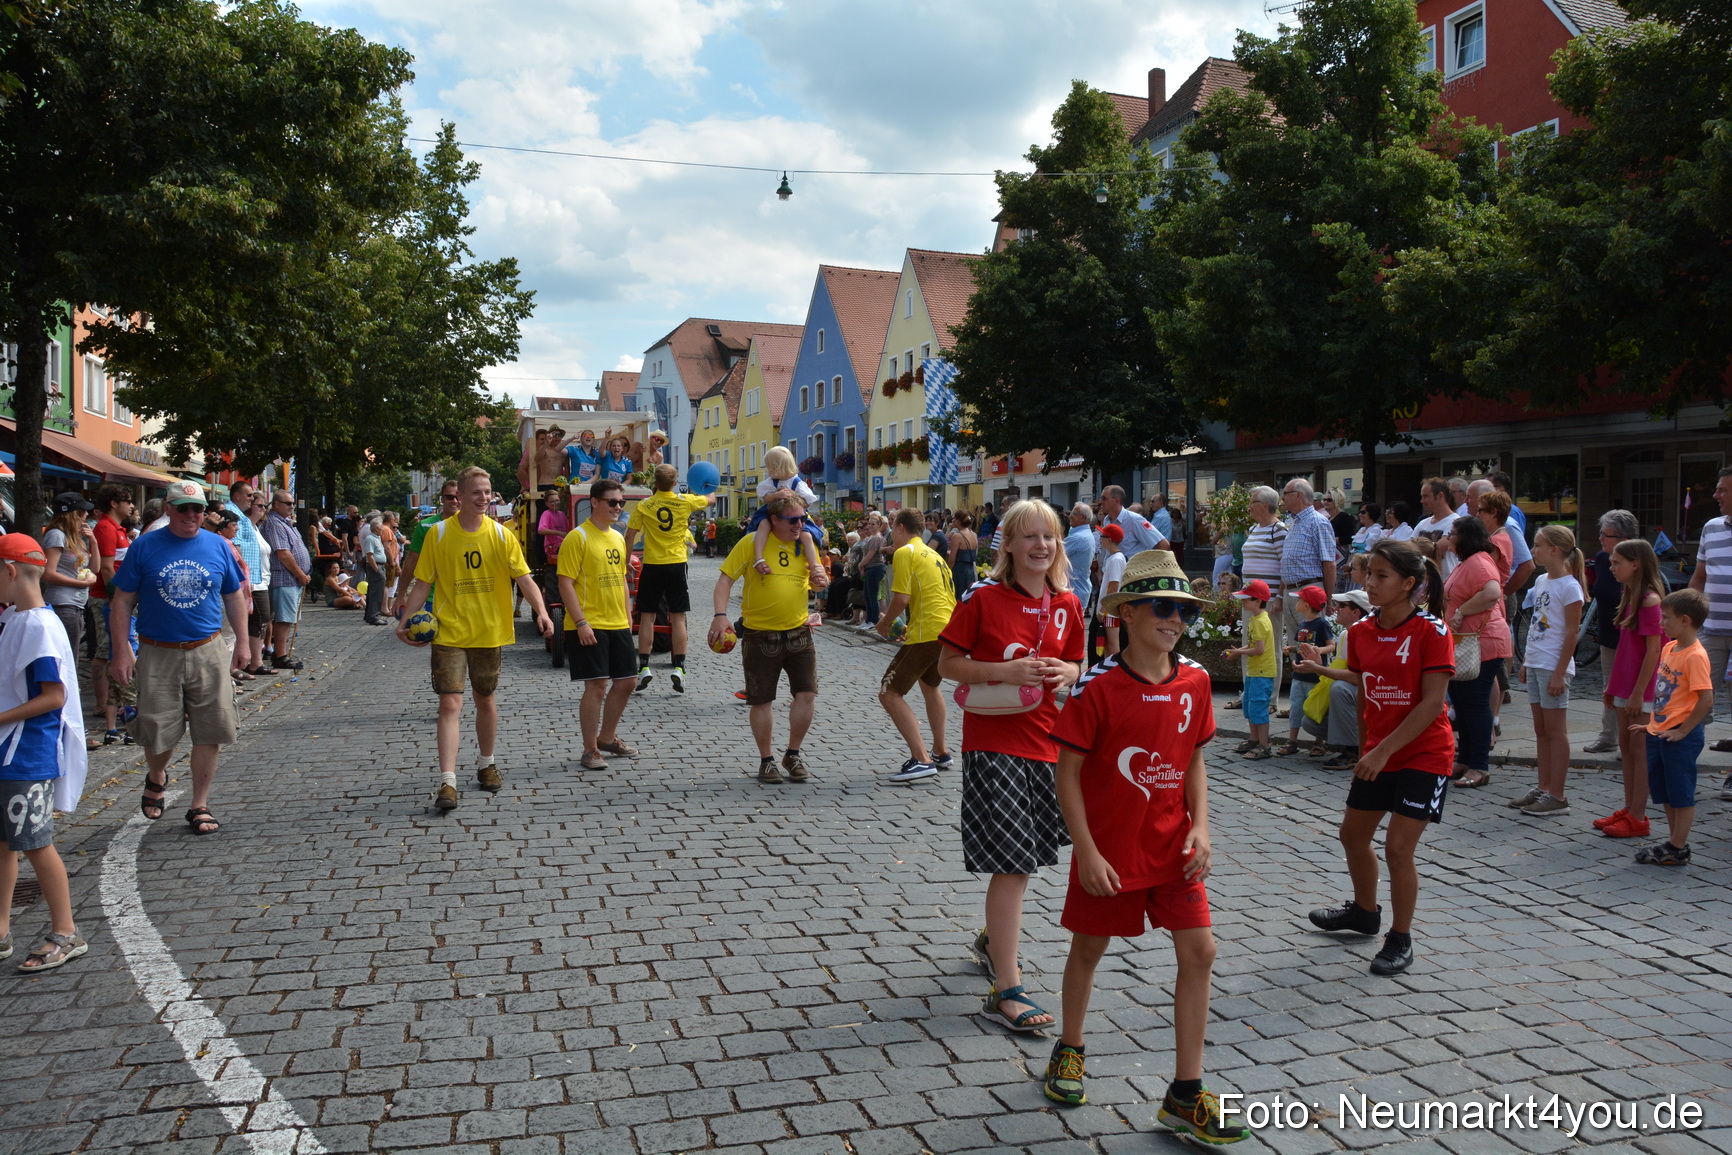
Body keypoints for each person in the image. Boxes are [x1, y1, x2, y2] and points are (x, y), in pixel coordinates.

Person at [1044, 550, 1244, 1143]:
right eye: (1162, 607)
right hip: (1110, 850)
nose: (1174, 619)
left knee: (1200, 953)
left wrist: (1201, 826)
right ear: (1126, 613)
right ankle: (1070, 1048)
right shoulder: (1096, 687)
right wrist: (1088, 851)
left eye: (1182, 609)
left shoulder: (1197, 680)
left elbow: (1195, 760)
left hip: (1174, 849)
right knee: (1089, 949)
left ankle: (1185, 1093)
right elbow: (1068, 774)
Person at [937, 499, 1084, 1035]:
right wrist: (1006, 670)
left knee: (1025, 857)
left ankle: (992, 940)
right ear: (1008, 545)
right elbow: (948, 664)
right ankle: (1007, 985)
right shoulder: (984, 597)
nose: (1041, 546)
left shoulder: (1067, 601)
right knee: (1014, 863)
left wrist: (1067, 670)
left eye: (1049, 537)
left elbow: (1077, 661)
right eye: (1030, 537)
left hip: (1047, 744)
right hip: (994, 743)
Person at [1301, 539, 1452, 977]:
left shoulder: (1432, 631)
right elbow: (1366, 684)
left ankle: (1400, 937)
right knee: (1352, 836)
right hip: (1379, 754)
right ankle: (1365, 912)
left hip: (1424, 754)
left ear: (1409, 584)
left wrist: (1384, 751)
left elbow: (1431, 704)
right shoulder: (1363, 631)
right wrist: (1368, 747)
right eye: (1369, 574)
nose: (1370, 583)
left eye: (1381, 576)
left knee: (1398, 848)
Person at [395, 467, 553, 810]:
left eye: (489, 492)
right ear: (461, 497)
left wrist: (540, 610)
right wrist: (405, 619)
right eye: (477, 493)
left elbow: (524, 578)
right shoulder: (438, 535)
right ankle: (447, 782)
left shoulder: (501, 535)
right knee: (450, 703)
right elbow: (423, 583)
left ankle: (486, 763)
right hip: (449, 630)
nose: (485, 498)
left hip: (488, 630)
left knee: (485, 699)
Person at [108, 480, 248, 836]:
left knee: (211, 727)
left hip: (208, 649)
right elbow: (122, 600)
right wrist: (122, 649)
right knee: (156, 729)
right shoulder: (145, 546)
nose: (190, 515)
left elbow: (234, 597)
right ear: (168, 509)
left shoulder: (219, 546)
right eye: (182, 508)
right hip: (158, 650)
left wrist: (244, 644)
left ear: (205, 513)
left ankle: (198, 804)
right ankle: (157, 775)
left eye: (197, 509)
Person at [0, 534, 90, 972]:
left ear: (10, 571)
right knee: (4, 842)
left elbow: (54, 696)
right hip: (10, 750)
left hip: (27, 753)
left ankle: (66, 931)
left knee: (36, 844)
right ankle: (0, 930)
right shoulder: (18, 618)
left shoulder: (37, 626)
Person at [710, 490, 821, 784]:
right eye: (793, 521)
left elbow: (817, 583)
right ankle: (767, 760)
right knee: (761, 700)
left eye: (803, 519)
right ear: (774, 520)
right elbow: (725, 581)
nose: (799, 525)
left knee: (807, 694)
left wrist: (819, 582)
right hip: (760, 635)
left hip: (799, 632)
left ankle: (793, 754)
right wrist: (720, 616)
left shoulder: (805, 545)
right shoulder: (751, 543)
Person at [559, 478, 640, 771]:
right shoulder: (577, 537)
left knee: (628, 681)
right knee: (597, 687)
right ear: (594, 502)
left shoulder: (618, 538)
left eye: (621, 502)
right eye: (612, 502)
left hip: (617, 621)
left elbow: (621, 580)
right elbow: (565, 582)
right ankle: (590, 748)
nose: (618, 507)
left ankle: (607, 738)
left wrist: (629, 615)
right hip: (588, 622)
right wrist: (580, 622)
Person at [1507, 525, 1586, 817]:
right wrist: (1527, 661)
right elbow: (1536, 626)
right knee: (1541, 730)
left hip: (1554, 665)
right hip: (1538, 661)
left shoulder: (1570, 586)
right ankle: (1543, 786)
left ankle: (1558, 793)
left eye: (1538, 545)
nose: (1533, 549)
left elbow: (1570, 633)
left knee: (1556, 731)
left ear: (1555, 550)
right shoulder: (1541, 581)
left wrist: (1559, 672)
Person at [877, 508, 958, 784]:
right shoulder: (935, 555)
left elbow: (900, 598)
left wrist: (885, 623)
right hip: (946, 630)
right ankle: (940, 751)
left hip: (928, 631)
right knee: (930, 686)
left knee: (889, 693)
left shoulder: (905, 552)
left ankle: (922, 759)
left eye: (891, 527)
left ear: (900, 527)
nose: (891, 535)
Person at [1594, 538, 1665, 838]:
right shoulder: (1630, 595)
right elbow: (1626, 648)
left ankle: (1638, 814)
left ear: (1635, 564)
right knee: (1626, 746)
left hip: (1642, 688)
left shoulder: (1649, 600)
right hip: (1626, 684)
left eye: (1616, 562)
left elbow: (1653, 651)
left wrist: (1637, 692)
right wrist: (1614, 685)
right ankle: (1630, 808)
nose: (1611, 567)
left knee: (1639, 750)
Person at [1635, 589, 1712, 866]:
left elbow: (1705, 700)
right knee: (1666, 790)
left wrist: (1682, 731)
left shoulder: (1695, 655)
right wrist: (1652, 726)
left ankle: (1678, 846)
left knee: (1681, 793)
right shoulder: (1670, 647)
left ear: (1685, 620)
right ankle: (1673, 842)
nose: (1661, 623)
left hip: (1681, 735)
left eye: (1665, 618)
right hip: (1661, 732)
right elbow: (1667, 696)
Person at [623, 464, 715, 694]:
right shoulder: (685, 501)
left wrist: (626, 560)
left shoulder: (645, 504)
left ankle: (643, 666)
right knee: (678, 617)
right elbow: (711, 498)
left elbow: (630, 534)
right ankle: (679, 668)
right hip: (676, 564)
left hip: (653, 564)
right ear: (675, 483)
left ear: (655, 483)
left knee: (647, 617)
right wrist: (707, 482)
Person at [1440, 518, 1510, 790]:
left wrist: (1461, 612)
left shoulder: (1480, 561)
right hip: (1467, 643)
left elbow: (1492, 592)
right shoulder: (1467, 561)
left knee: (1476, 703)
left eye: (1453, 534)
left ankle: (1479, 765)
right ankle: (1465, 758)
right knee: (1463, 702)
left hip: (1483, 642)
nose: (1449, 538)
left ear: (1466, 537)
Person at [87, 485, 139, 745]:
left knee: (111, 651)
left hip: (118, 598)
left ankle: (116, 707)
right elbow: (106, 569)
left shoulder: (116, 528)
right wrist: (117, 600)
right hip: (108, 599)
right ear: (112, 503)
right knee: (110, 652)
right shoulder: (106, 528)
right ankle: (109, 707)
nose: (131, 505)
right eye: (126, 500)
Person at [1688, 466, 1732, 772]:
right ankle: (1684, 762)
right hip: (1712, 631)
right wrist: (1685, 616)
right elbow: (1699, 578)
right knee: (1697, 699)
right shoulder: (1711, 528)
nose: (1716, 495)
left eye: (1723, 490)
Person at [1279, 478, 1338, 704]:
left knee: (1313, 646)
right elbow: (1287, 560)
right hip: (1291, 590)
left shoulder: (1318, 522)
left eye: (1286, 492)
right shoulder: (1292, 522)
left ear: (1299, 495)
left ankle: (1317, 702)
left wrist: (1328, 598)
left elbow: (1329, 563)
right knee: (1298, 645)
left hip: (1310, 589)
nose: (1282, 497)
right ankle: (1299, 701)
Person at [1299, 590, 1372, 770]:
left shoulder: (1365, 635)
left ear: (1356, 613)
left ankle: (1354, 750)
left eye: (1342, 605)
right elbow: (1338, 673)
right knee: (1309, 722)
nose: (1336, 609)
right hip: (1357, 697)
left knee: (1340, 689)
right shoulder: (1346, 635)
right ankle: (1350, 744)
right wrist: (1318, 668)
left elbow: (1358, 678)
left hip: (1372, 697)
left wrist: (1319, 668)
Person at [1585, 510, 1638, 753]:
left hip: (1633, 637)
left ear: (1623, 539)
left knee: (1634, 688)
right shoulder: (1602, 559)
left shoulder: (1637, 561)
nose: (1600, 538)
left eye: (1605, 535)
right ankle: (1608, 737)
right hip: (1608, 633)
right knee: (1610, 687)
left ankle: (1634, 739)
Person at [41, 493, 96, 686]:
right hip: (63, 603)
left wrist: (94, 542)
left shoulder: (75, 538)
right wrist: (80, 584)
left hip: (76, 604)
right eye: (82, 512)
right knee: (68, 657)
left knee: (71, 654)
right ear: (72, 514)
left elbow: (94, 569)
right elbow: (48, 573)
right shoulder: (57, 535)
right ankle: (66, 698)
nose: (86, 516)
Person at [747, 446, 824, 584]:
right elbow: (764, 497)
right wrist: (776, 495)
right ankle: (758, 556)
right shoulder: (770, 482)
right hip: (772, 512)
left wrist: (793, 495)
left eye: (770, 467)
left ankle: (814, 566)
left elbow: (809, 501)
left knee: (806, 534)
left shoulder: (797, 482)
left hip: (794, 514)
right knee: (763, 525)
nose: (768, 470)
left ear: (779, 467)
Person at [1276, 585, 1334, 756]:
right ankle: (1292, 740)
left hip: (1315, 676)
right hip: (1299, 674)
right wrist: (1293, 649)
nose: (1297, 601)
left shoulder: (1322, 624)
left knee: (1317, 708)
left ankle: (1318, 742)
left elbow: (1331, 645)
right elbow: (1301, 646)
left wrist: (1318, 650)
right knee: (1296, 707)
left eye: (1300, 599)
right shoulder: (1302, 624)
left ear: (1307, 605)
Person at [1225, 580, 1276, 758]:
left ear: (1258, 601)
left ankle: (1264, 745)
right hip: (1255, 672)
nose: (1243, 602)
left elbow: (1259, 650)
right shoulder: (1256, 619)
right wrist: (1238, 650)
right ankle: (1254, 740)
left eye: (1246, 599)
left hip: (1262, 672)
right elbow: (1253, 644)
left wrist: (1239, 653)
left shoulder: (1261, 621)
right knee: (1250, 707)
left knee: (1259, 708)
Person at [396, 481, 460, 618]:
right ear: (442, 499)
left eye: (458, 496)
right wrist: (401, 594)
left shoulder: (475, 527)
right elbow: (412, 561)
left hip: (467, 599)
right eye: (449, 497)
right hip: (436, 598)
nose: (454, 500)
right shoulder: (426, 526)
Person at [263, 490, 312, 670]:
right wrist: (300, 573)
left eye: (292, 503)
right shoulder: (274, 523)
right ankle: (280, 655)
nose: (291, 506)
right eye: (287, 503)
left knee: (289, 617)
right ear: (276, 504)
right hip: (285, 578)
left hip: (294, 579)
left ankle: (281, 652)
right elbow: (283, 553)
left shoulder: (286, 523)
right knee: (284, 618)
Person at [1097, 486, 1167, 555]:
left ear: (1116, 500)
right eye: (1101, 498)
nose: (1100, 501)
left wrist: (1150, 564)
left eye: (1104, 498)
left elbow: (1163, 544)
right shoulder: (1106, 520)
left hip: (1131, 566)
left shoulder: (1135, 520)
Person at [1412, 479, 1460, 576]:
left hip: (1445, 584)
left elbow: (1436, 550)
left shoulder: (1456, 522)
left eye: (1426, 496)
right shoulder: (1422, 523)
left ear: (1440, 496)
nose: (1422, 501)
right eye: (1422, 497)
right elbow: (1409, 549)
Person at [1096, 524, 1127, 659]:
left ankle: (1114, 672)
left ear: (1109, 539)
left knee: (1113, 646)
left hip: (1110, 612)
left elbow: (1113, 586)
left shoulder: (1116, 559)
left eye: (1102, 536)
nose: (1100, 539)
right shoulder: (1114, 558)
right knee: (1108, 645)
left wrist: (1104, 609)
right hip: (1109, 611)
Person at [856, 514, 888, 630]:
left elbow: (870, 555)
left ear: (879, 525)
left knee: (872, 596)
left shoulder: (876, 538)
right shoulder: (870, 537)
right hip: (869, 568)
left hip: (875, 567)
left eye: (873, 524)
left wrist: (860, 564)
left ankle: (873, 620)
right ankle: (868, 619)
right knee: (867, 596)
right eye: (869, 523)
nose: (870, 526)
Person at [1064, 503, 1095, 609]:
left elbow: (1053, 555)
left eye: (1074, 513)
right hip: (1078, 590)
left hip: (1073, 592)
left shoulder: (1078, 537)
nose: (1070, 515)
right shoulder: (1085, 534)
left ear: (1083, 517)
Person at [947, 511, 978, 596]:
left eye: (954, 519)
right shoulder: (972, 534)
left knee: (958, 596)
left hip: (959, 571)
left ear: (958, 521)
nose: (953, 520)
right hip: (971, 570)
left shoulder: (957, 536)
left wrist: (948, 573)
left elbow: (952, 559)